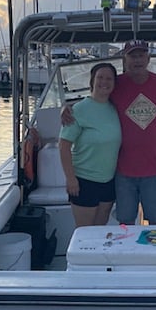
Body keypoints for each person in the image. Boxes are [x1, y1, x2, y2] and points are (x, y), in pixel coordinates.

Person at [62, 40, 156, 225]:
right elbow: (95, 100)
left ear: (148, 58)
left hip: (155, 169)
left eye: (141, 55)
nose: (137, 60)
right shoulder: (115, 84)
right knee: (124, 223)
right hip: (122, 172)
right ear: (124, 59)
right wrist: (65, 107)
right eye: (132, 55)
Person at [59, 62, 121, 227]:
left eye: (109, 79)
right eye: (100, 77)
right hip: (84, 182)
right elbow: (64, 145)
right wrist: (70, 179)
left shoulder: (116, 108)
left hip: (109, 182)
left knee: (100, 231)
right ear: (92, 81)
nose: (104, 82)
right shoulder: (78, 110)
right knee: (84, 233)